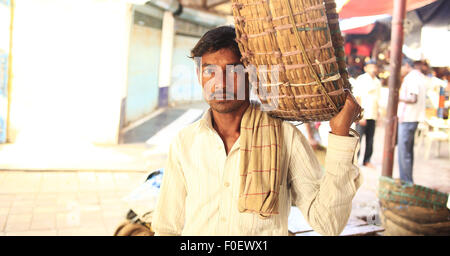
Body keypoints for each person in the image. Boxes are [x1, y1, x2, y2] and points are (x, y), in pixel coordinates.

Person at [151, 26, 362, 236]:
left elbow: (328, 223)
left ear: (250, 75)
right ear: (199, 75)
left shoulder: (285, 137)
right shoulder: (185, 142)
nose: (220, 83)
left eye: (233, 71)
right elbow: (166, 228)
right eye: (209, 71)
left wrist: (340, 135)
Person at [397, 58, 426, 183]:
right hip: (412, 118)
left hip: (408, 118)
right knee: (407, 151)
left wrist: (398, 98)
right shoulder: (419, 76)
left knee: (404, 152)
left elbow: (413, 98)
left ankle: (407, 181)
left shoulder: (412, 77)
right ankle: (406, 179)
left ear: (406, 65)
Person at [353, 59, 381, 168]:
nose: (373, 69)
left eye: (375, 66)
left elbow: (377, 99)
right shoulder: (361, 79)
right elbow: (357, 97)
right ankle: (355, 160)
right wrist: (360, 115)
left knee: (370, 139)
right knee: (358, 139)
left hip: (373, 114)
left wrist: (378, 114)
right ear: (365, 68)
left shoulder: (377, 82)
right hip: (363, 115)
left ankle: (367, 160)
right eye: (371, 66)